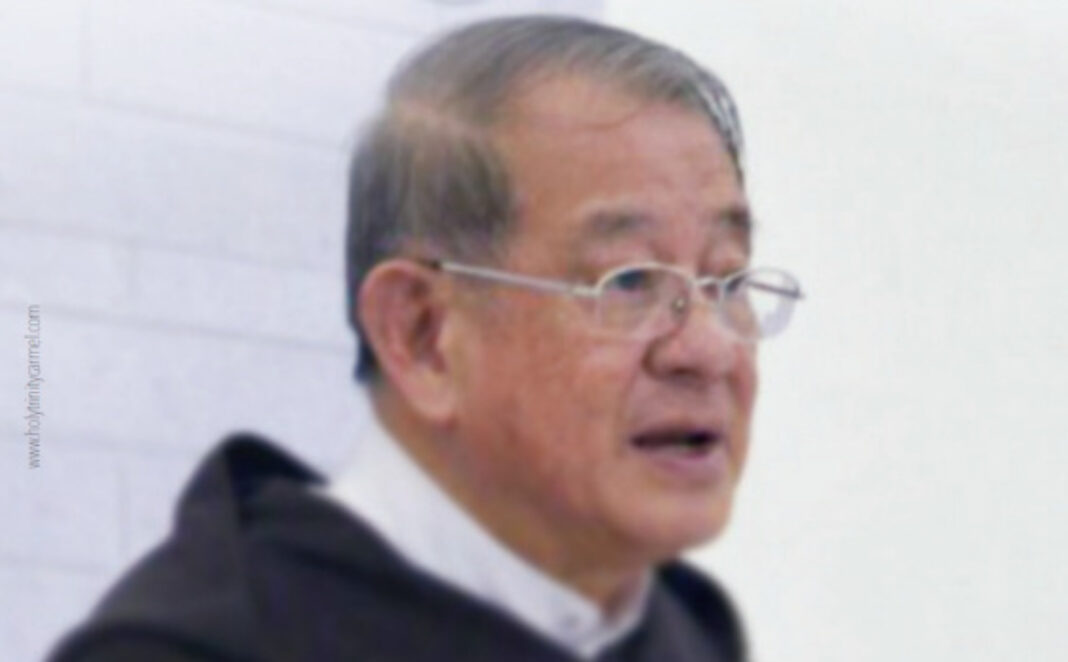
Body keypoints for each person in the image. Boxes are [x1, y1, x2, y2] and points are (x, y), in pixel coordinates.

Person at [49, 15, 802, 662]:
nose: (710, 350)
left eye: (727, 280)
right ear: (422, 335)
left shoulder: (687, 629)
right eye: (629, 280)